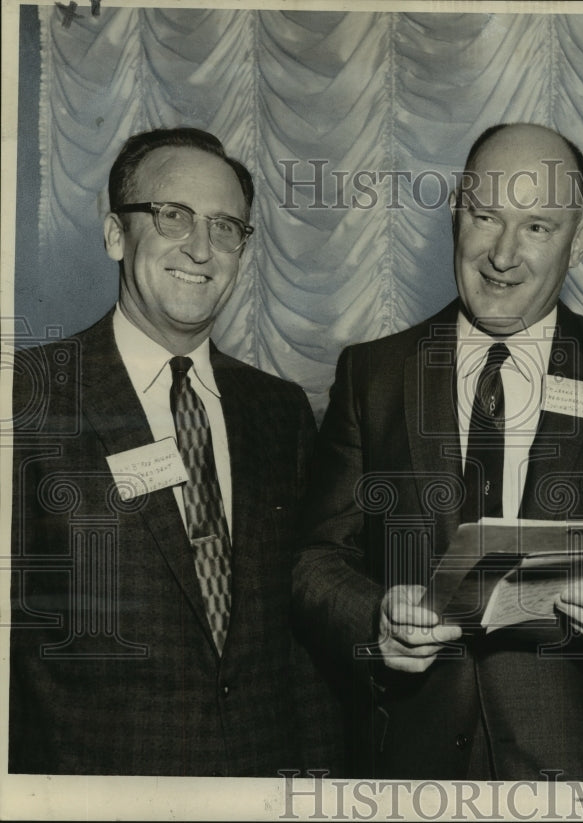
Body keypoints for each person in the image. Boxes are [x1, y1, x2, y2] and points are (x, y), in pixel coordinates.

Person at [293, 123, 583, 780]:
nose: (502, 253)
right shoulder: (373, 373)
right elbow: (316, 558)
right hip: (412, 765)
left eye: (537, 227)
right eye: (485, 215)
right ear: (454, 214)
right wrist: (373, 620)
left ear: (578, 241)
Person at [9, 127, 341, 776]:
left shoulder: (279, 411)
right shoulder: (29, 396)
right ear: (114, 234)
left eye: (225, 227)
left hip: (261, 780)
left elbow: (301, 641)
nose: (200, 247)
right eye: (172, 216)